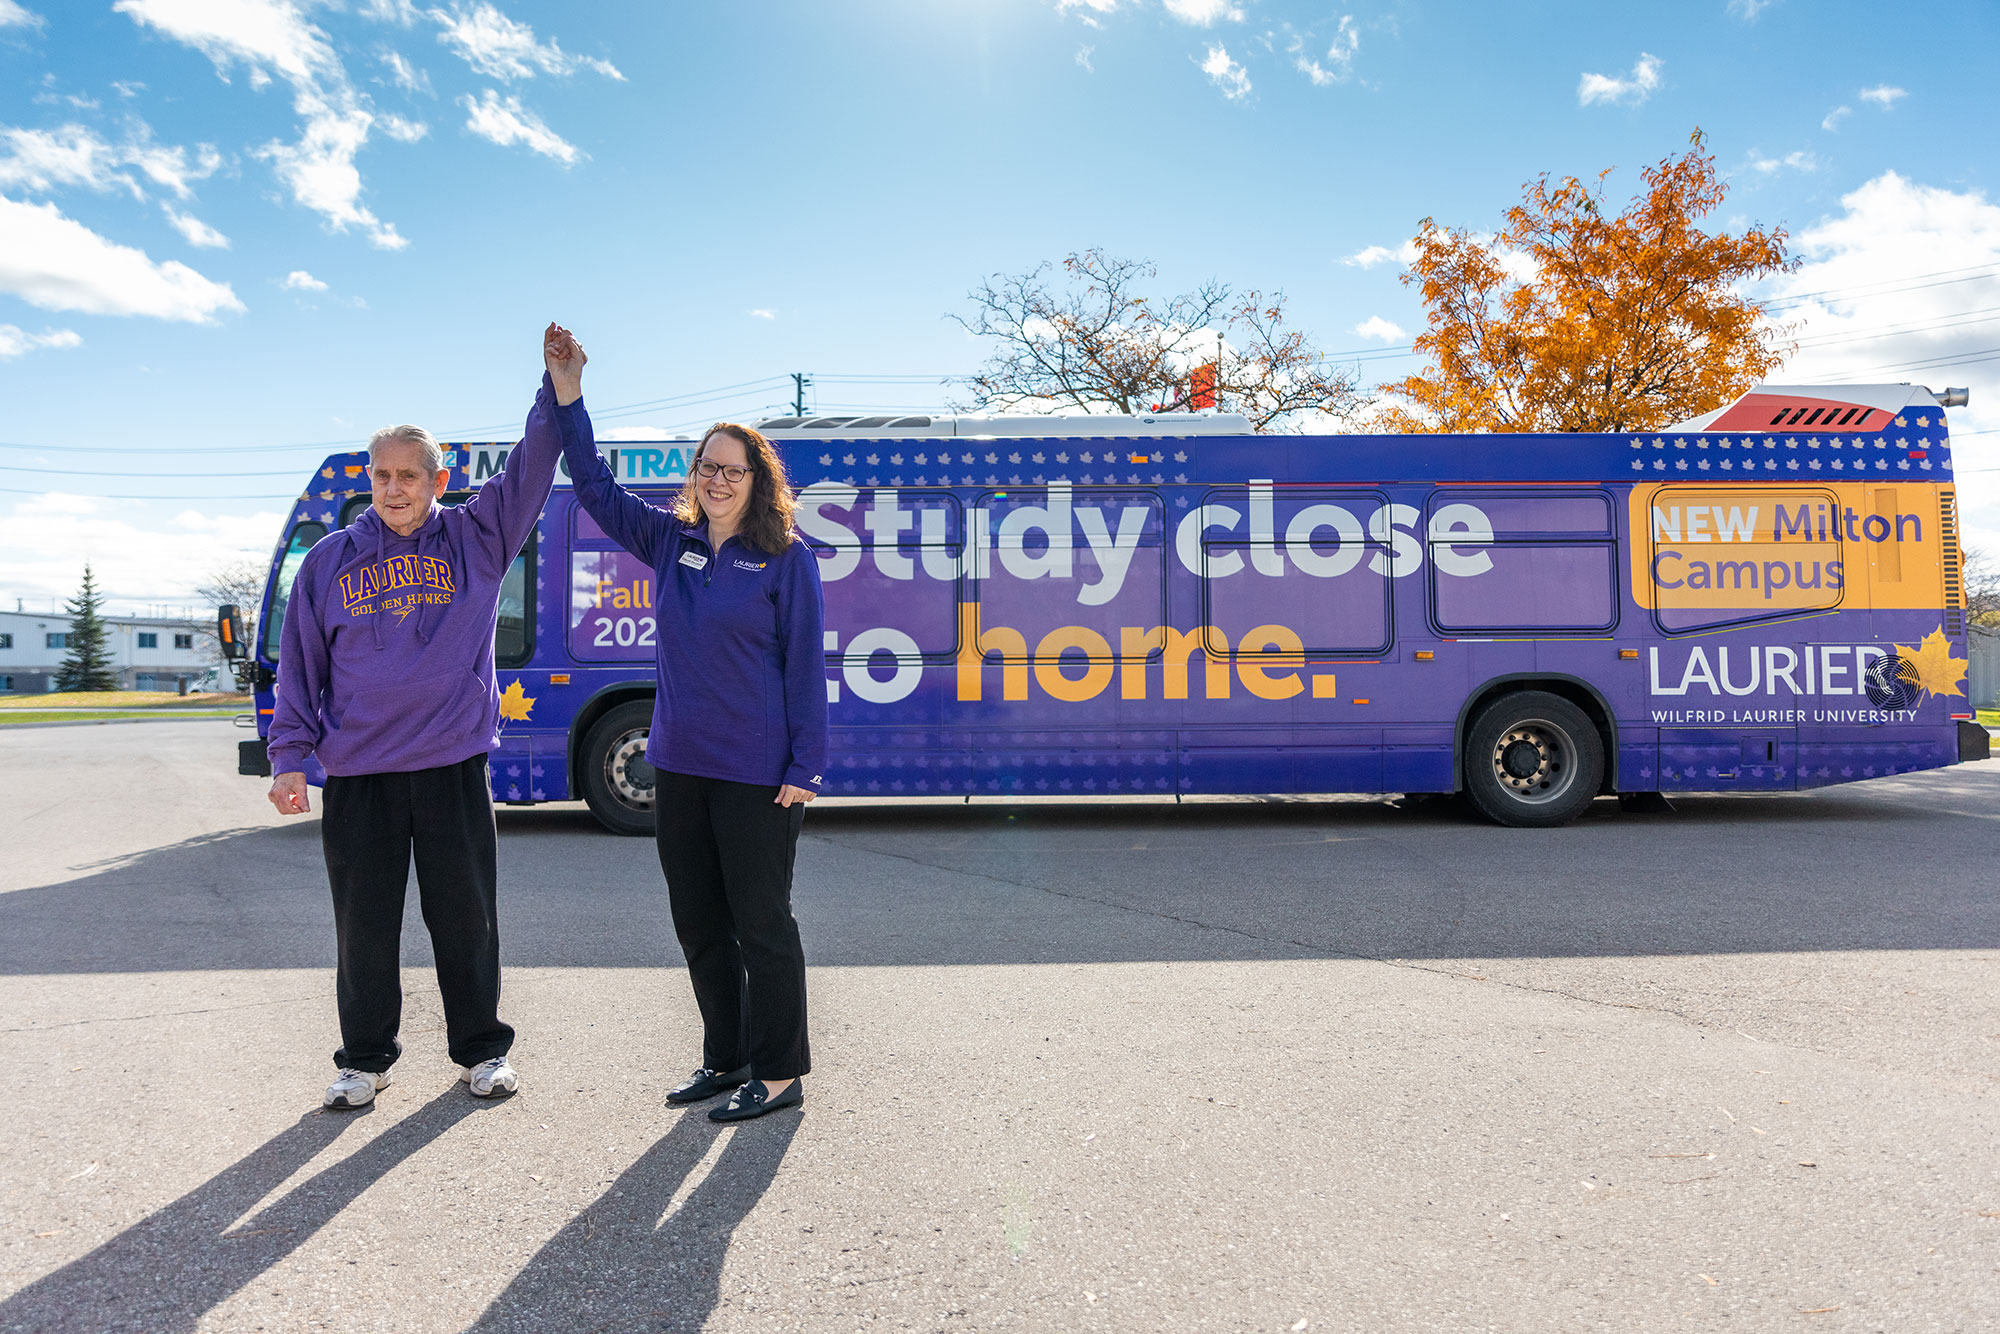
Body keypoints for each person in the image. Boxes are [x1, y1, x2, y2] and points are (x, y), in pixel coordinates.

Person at [268, 323, 590, 1109]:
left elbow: (531, 465)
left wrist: (557, 387)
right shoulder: (327, 564)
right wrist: (287, 757)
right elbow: (300, 666)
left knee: (466, 921)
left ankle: (482, 1053)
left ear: (437, 479)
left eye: (408, 474)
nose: (393, 487)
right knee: (364, 931)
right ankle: (365, 1060)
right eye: (380, 474)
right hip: (360, 775)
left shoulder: (479, 539)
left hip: (450, 765)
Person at [556, 407, 827, 1123]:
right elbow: (593, 486)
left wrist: (807, 765)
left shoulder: (787, 559)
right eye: (707, 466)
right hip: (678, 766)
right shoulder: (671, 544)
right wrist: (567, 396)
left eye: (732, 469)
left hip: (758, 774)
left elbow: (805, 667)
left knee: (762, 924)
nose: (717, 479)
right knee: (700, 922)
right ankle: (727, 1054)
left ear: (757, 480)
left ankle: (778, 1072)